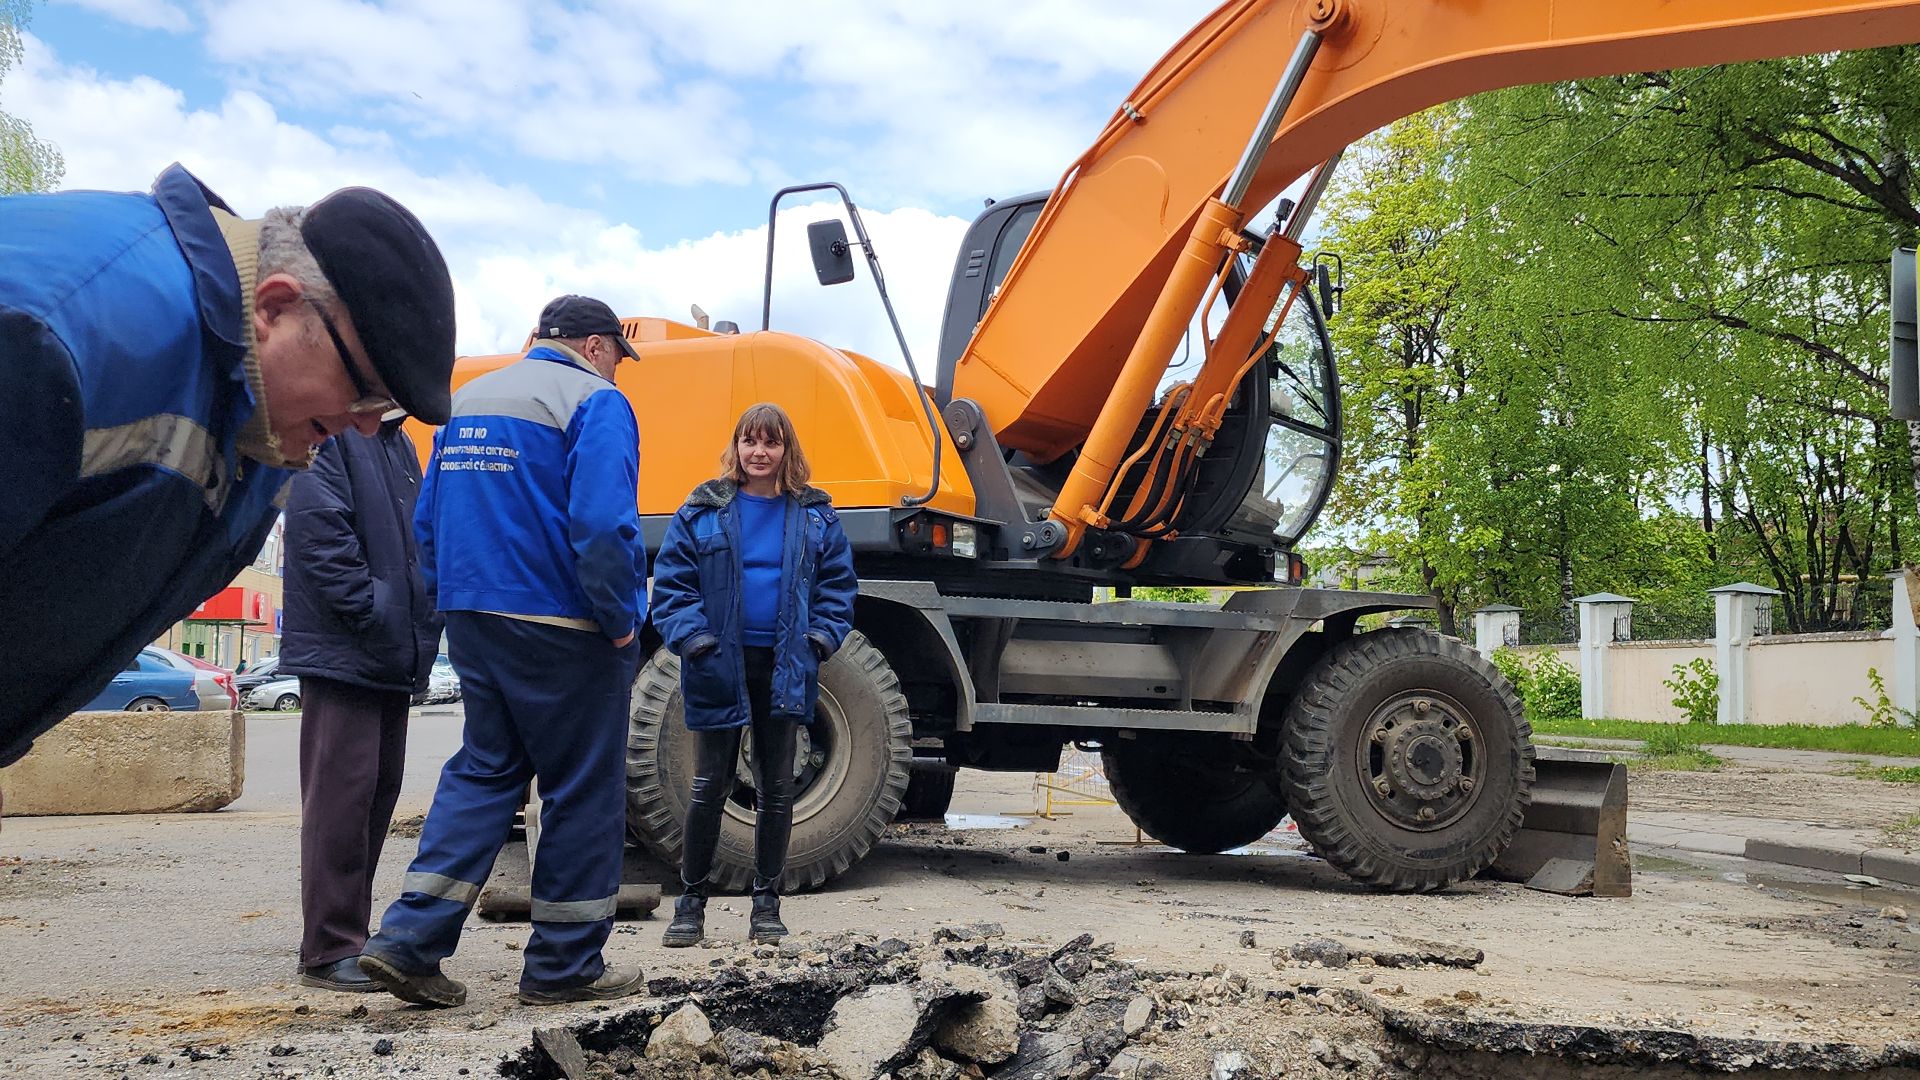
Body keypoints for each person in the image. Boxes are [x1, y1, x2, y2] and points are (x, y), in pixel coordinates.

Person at [0, 165, 456, 807]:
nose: (362, 424)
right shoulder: (50, 333)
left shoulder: (265, 424)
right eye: (363, 389)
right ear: (274, 307)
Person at [358, 295, 647, 1008]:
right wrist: (619, 619)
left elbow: (428, 519)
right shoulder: (594, 401)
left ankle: (408, 941)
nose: (617, 370)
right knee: (582, 788)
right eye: (616, 356)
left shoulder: (469, 397)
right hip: (563, 625)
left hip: (474, 613)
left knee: (485, 773)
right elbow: (605, 526)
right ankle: (563, 966)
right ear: (596, 345)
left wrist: (451, 598)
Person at [650, 402, 857, 948]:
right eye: (750, 442)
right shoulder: (703, 510)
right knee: (707, 786)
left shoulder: (815, 516)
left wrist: (818, 639)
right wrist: (694, 640)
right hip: (719, 664)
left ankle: (767, 906)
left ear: (787, 450)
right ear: (736, 448)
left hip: (786, 666)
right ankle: (690, 906)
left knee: (776, 790)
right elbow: (672, 585)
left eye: (771, 443)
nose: (759, 453)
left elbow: (838, 589)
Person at [281, 418, 443, 992]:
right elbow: (317, 528)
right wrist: (373, 608)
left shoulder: (398, 445)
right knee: (340, 801)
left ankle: (347, 933)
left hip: (389, 650)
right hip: (348, 650)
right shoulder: (335, 432)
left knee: (375, 794)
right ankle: (328, 947)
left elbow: (421, 537)